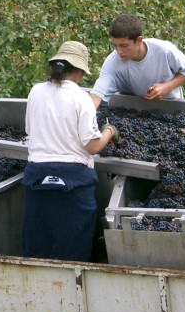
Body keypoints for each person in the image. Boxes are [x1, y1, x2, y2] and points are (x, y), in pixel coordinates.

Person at [22, 41, 119, 262]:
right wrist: (109, 131)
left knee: (38, 249)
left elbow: (30, 131)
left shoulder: (36, 91)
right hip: (73, 185)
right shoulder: (81, 98)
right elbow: (92, 146)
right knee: (73, 253)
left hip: (36, 180)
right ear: (79, 71)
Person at [89, 14, 185, 109]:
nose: (119, 51)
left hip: (171, 107)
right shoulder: (113, 62)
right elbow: (96, 95)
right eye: (115, 45)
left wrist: (166, 87)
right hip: (137, 110)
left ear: (139, 40)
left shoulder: (163, 50)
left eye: (124, 46)